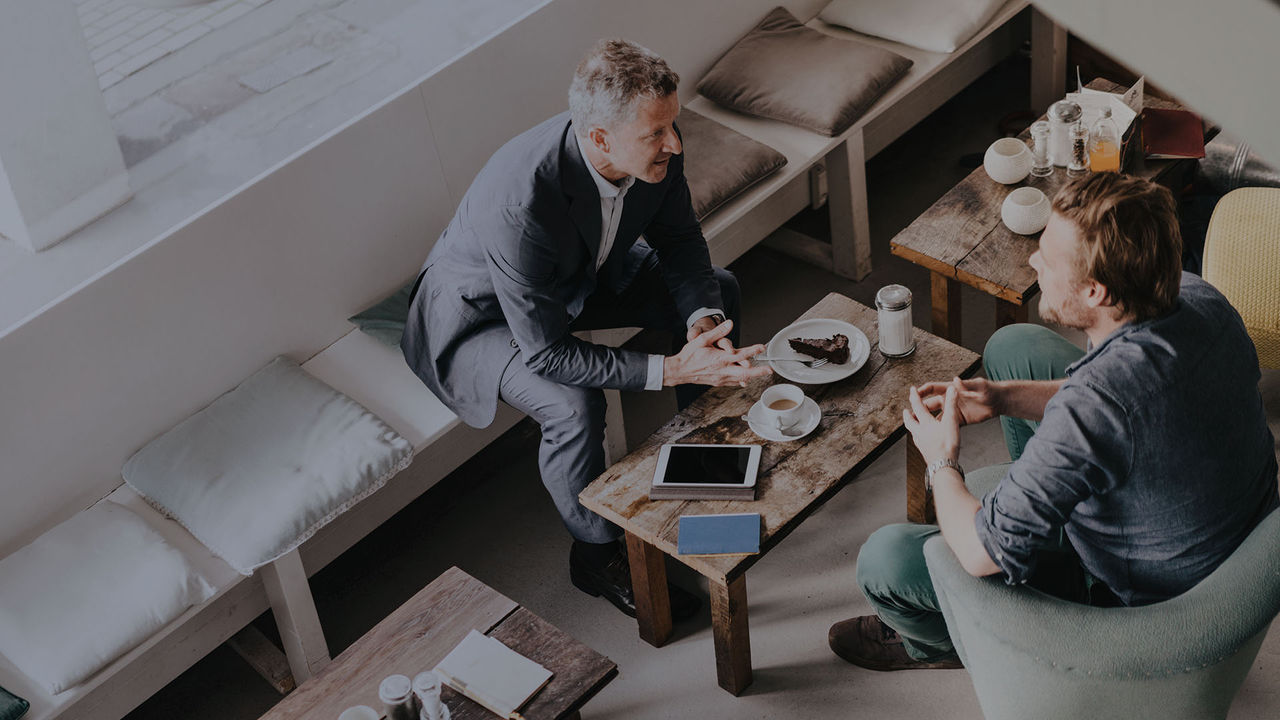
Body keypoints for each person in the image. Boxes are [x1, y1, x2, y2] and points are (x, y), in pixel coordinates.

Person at [829, 172, 1279, 671]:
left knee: (885, 559)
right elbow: (1128, 403)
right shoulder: (1200, 298)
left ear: (1095, 292)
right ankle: (1039, 498)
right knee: (1012, 347)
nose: (1033, 260)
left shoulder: (1094, 407)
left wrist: (942, 460)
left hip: (1140, 597)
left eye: (1049, 257)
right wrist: (1002, 399)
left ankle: (942, 643)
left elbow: (981, 553)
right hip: (1220, 541)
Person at [401, 39, 771, 619]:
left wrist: (700, 327)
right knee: (573, 403)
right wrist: (673, 367)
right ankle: (596, 553)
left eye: (672, 126)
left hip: (579, 273)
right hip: (484, 313)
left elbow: (679, 243)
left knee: (717, 292)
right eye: (657, 135)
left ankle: (704, 460)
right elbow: (546, 354)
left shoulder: (652, 139)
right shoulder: (520, 200)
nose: (674, 143)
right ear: (600, 138)